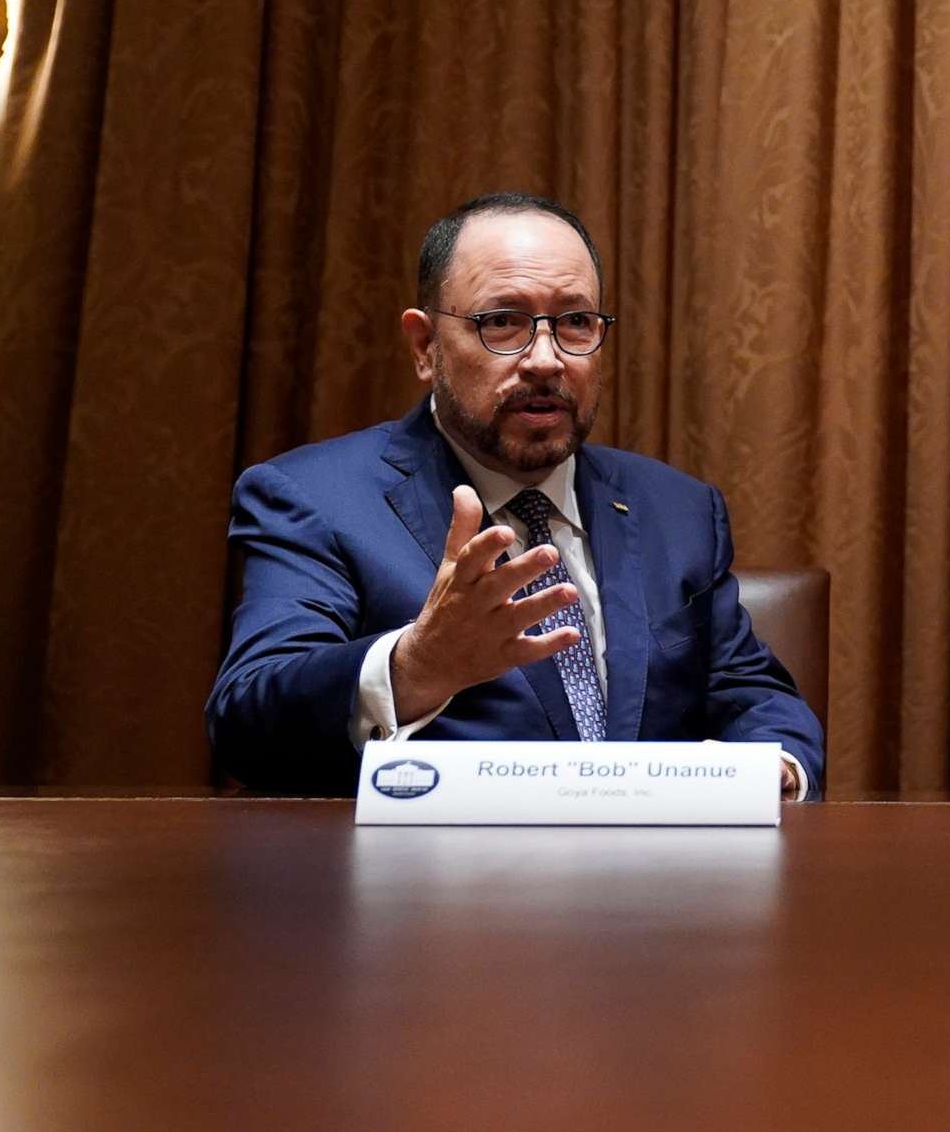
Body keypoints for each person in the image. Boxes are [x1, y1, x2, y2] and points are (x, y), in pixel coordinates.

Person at [207, 192, 825, 798]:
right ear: (425, 348)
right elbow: (247, 721)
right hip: (429, 889)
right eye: (502, 322)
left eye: (576, 322)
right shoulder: (315, 498)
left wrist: (779, 768)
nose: (545, 360)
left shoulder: (677, 509)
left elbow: (754, 696)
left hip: (650, 887)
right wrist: (415, 667)